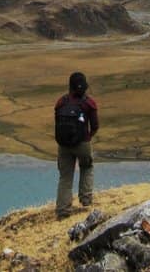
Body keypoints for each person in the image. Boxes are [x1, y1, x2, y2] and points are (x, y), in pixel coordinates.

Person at [54, 71, 99, 218]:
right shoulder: (89, 104)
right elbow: (95, 126)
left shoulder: (61, 103)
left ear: (70, 86)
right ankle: (86, 201)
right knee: (86, 168)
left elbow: (57, 124)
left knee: (65, 177)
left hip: (63, 146)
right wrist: (88, 137)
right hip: (83, 144)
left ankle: (63, 210)